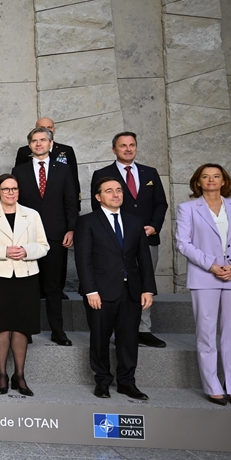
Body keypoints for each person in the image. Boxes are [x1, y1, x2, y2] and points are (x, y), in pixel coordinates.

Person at [175, 164, 231, 407]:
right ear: (197, 182)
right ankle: (213, 387)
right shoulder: (187, 208)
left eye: (216, 176)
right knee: (206, 332)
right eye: (205, 176)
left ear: (224, 181)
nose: (211, 180)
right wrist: (211, 265)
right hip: (205, 276)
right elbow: (183, 243)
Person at [76, 177, 155, 400]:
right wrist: (90, 291)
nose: (116, 194)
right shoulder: (87, 222)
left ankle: (127, 382)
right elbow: (84, 260)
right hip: (100, 292)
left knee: (129, 339)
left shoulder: (134, 221)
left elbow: (144, 258)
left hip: (131, 292)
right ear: (98, 197)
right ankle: (102, 380)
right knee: (100, 338)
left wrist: (147, 288)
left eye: (119, 190)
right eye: (109, 191)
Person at [0, 175, 49, 397]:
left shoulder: (31, 215)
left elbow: (43, 245)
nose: (11, 193)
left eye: (14, 189)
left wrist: (26, 251)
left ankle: (20, 376)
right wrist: (3, 252)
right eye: (6, 189)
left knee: (22, 325)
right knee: (2, 325)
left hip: (26, 275)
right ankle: (3, 375)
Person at [90, 131, 169, 348]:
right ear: (114, 149)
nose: (128, 149)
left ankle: (143, 329)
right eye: (123, 145)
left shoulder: (149, 173)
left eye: (131, 145)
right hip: (115, 243)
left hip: (147, 239)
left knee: (144, 282)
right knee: (116, 283)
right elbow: (99, 209)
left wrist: (154, 226)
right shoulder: (102, 173)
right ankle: (119, 328)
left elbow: (161, 204)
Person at [11, 126, 77, 346]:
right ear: (29, 145)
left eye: (42, 140)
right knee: (27, 284)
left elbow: (70, 201)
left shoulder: (64, 170)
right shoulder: (19, 171)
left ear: (51, 143)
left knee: (53, 286)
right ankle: (26, 329)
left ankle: (57, 330)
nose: (38, 144)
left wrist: (71, 229)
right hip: (26, 236)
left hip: (56, 235)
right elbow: (15, 204)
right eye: (34, 141)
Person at [14, 117, 79, 198]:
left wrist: (77, 203)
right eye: (42, 128)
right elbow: (18, 179)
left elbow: (73, 179)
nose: (46, 130)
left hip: (58, 201)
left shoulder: (66, 150)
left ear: (54, 129)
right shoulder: (24, 151)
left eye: (49, 127)